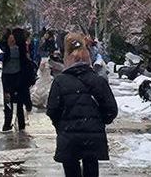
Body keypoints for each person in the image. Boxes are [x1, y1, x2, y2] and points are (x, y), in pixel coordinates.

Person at [47, 32, 118, 177]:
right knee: (91, 167)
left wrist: (61, 125)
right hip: (92, 136)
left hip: (68, 136)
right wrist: (98, 121)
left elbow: (52, 110)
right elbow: (111, 109)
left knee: (71, 169)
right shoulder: (98, 81)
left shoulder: (60, 82)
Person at [0, 28, 37, 132]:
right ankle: (7, 123)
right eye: (9, 39)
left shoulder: (20, 49)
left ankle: (20, 124)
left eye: (13, 39)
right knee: (8, 101)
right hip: (7, 77)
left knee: (19, 102)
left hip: (18, 77)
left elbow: (26, 61)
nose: (11, 41)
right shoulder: (4, 49)